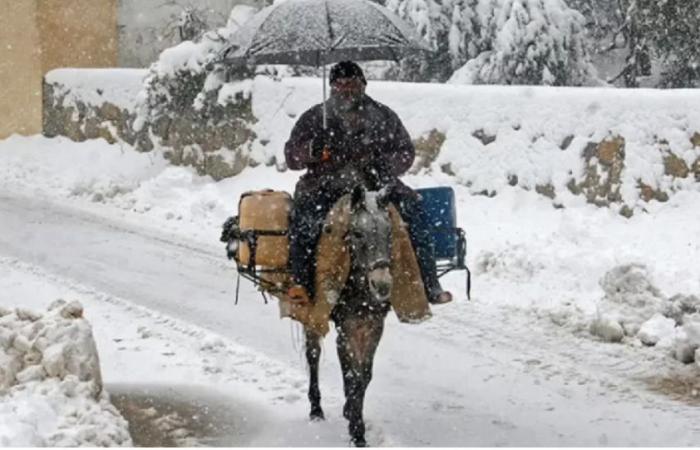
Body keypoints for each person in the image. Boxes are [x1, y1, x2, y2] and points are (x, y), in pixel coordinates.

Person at [284, 61, 452, 305]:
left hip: (378, 186)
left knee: (415, 214)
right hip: (324, 187)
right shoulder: (314, 118)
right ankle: (302, 284)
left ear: (363, 84)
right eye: (339, 85)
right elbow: (291, 156)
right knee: (306, 222)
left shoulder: (384, 116)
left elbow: (406, 151)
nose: (346, 89)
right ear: (331, 87)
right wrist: (312, 150)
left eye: (351, 84)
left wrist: (385, 165)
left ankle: (429, 283)